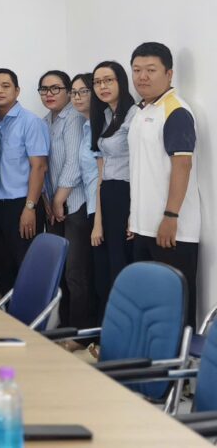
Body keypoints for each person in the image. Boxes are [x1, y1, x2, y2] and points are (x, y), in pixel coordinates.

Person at [127, 42, 202, 327]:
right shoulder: (141, 111)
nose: (142, 76)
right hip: (144, 227)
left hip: (172, 229)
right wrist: (134, 218)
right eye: (137, 70)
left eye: (150, 70)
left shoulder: (176, 110)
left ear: (169, 74)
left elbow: (182, 165)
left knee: (175, 308)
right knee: (149, 306)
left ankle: (181, 357)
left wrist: (171, 216)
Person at [0, 69, 49, 297]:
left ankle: (30, 320)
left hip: (22, 204)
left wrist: (30, 207)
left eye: (5, 86)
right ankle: (7, 318)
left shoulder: (31, 122)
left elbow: (39, 167)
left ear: (17, 90)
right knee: (1, 270)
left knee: (25, 270)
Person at [39, 70, 93, 329]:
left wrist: (59, 199)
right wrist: (48, 200)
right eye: (44, 89)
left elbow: (74, 162)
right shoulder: (45, 122)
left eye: (56, 88)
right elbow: (43, 166)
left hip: (75, 205)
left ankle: (80, 332)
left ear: (68, 92)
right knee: (59, 273)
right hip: (55, 206)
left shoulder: (74, 118)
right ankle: (64, 328)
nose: (49, 94)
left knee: (75, 273)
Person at [89, 60, 136, 309]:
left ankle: (124, 326)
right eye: (97, 82)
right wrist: (98, 221)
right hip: (107, 193)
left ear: (121, 82)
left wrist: (134, 214)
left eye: (108, 80)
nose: (102, 86)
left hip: (126, 193)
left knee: (120, 266)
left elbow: (139, 169)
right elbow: (102, 173)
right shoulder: (105, 115)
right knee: (103, 271)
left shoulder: (134, 115)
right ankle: (105, 326)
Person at [71, 74, 101, 323]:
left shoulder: (102, 127)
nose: (77, 97)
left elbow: (104, 177)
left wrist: (99, 221)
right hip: (90, 207)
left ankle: (95, 334)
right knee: (90, 273)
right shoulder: (85, 126)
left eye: (83, 91)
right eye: (74, 92)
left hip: (101, 209)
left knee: (96, 276)